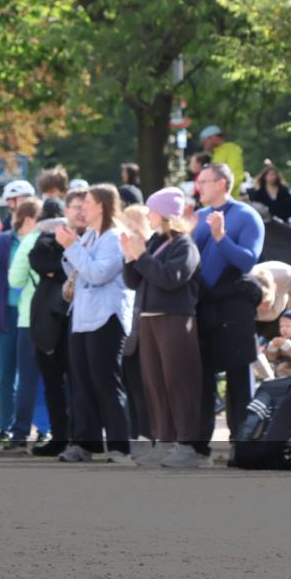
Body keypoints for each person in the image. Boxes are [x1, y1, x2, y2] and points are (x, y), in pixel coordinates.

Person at [122, 187, 203, 468]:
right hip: (149, 319)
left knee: (178, 381)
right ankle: (165, 440)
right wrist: (131, 257)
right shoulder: (155, 241)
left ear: (166, 213)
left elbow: (171, 278)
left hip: (175, 319)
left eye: (151, 209)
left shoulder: (184, 245)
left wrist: (142, 257)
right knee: (155, 382)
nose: (147, 214)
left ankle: (187, 445)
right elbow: (134, 281)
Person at [55, 184, 135, 463]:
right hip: (82, 317)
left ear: (101, 204)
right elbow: (77, 270)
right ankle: (84, 443)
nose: (81, 209)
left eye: (86, 202)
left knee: (106, 382)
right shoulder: (89, 236)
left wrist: (71, 247)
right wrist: (73, 246)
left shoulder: (114, 237)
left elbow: (99, 273)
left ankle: (119, 446)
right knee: (82, 383)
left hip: (106, 318)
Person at [191, 162, 264, 463]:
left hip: (233, 307)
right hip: (203, 305)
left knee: (238, 380)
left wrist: (221, 237)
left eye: (205, 181)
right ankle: (197, 444)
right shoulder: (198, 216)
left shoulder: (247, 216)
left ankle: (243, 444)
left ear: (222, 184)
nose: (199, 187)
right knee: (202, 378)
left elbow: (247, 261)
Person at [0, 184, 38, 450]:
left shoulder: (38, 241)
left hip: (31, 316)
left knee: (30, 375)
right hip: (5, 317)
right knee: (5, 374)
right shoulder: (2, 241)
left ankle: (36, 427)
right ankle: (5, 427)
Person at [7, 197, 56, 451]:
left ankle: (20, 432)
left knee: (26, 378)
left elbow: (15, 279)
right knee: (56, 379)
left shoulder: (30, 241)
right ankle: (53, 429)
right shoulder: (71, 237)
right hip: (62, 317)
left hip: (30, 316)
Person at [25, 198, 73, 457]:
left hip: (67, 317)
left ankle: (77, 435)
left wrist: (58, 267)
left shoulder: (78, 236)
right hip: (48, 319)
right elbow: (38, 260)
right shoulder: (43, 240)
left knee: (73, 382)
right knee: (53, 382)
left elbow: (63, 266)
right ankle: (60, 434)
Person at [119, 204, 153, 445]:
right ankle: (136, 433)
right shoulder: (131, 251)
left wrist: (136, 255)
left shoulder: (150, 249)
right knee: (131, 384)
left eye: (129, 225)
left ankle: (148, 434)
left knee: (144, 388)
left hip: (145, 326)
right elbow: (130, 281)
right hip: (131, 328)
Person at [251, 260, 291, 341]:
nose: (264, 308)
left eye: (266, 302)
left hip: (282, 292)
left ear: (275, 288)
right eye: (261, 302)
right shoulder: (244, 285)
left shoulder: (290, 277)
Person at [198, 125, 243, 198]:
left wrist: (221, 194)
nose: (204, 147)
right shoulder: (217, 153)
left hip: (227, 202)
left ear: (213, 137)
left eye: (205, 142)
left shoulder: (231, 150)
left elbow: (235, 176)